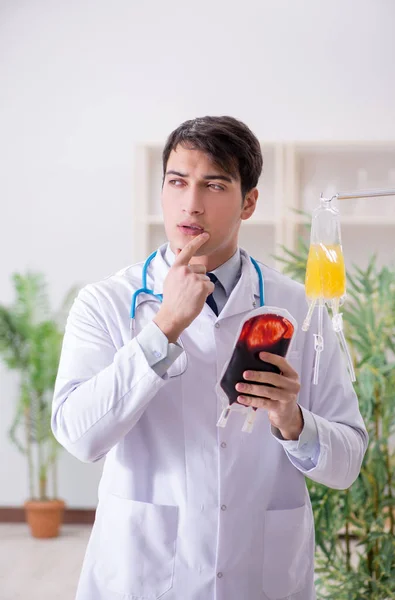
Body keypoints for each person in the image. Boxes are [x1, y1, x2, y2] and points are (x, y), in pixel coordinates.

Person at [51, 116, 368, 600]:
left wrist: (294, 422)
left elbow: (346, 464)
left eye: (214, 185)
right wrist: (164, 329)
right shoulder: (108, 303)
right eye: (177, 181)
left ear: (249, 202)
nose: (191, 203)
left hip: (259, 576)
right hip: (143, 572)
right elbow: (79, 435)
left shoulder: (300, 309)